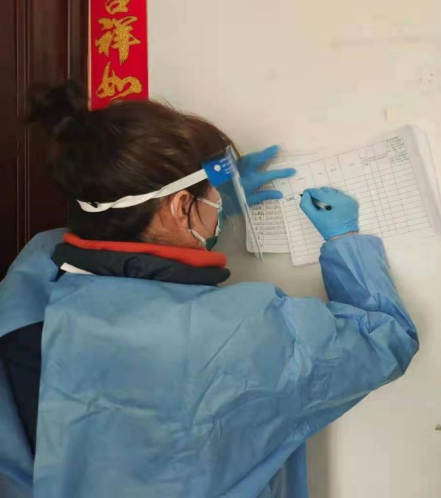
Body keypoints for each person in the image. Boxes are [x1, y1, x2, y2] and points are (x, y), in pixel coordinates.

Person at [0, 83, 419, 497]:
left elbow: (70, 243)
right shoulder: (245, 330)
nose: (219, 203)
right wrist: (344, 240)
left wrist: (198, 214)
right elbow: (387, 340)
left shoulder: (27, 286)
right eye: (215, 196)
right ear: (180, 206)